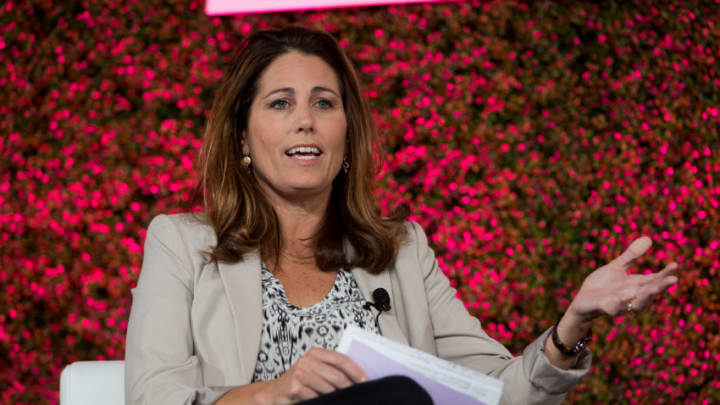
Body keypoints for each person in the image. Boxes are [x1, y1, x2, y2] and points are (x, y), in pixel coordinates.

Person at [124, 26, 679, 405]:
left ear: (347, 132)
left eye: (324, 102)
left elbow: (495, 393)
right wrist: (277, 391)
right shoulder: (182, 244)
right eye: (280, 103)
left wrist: (572, 325)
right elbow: (153, 399)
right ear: (243, 134)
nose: (305, 122)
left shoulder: (402, 251)